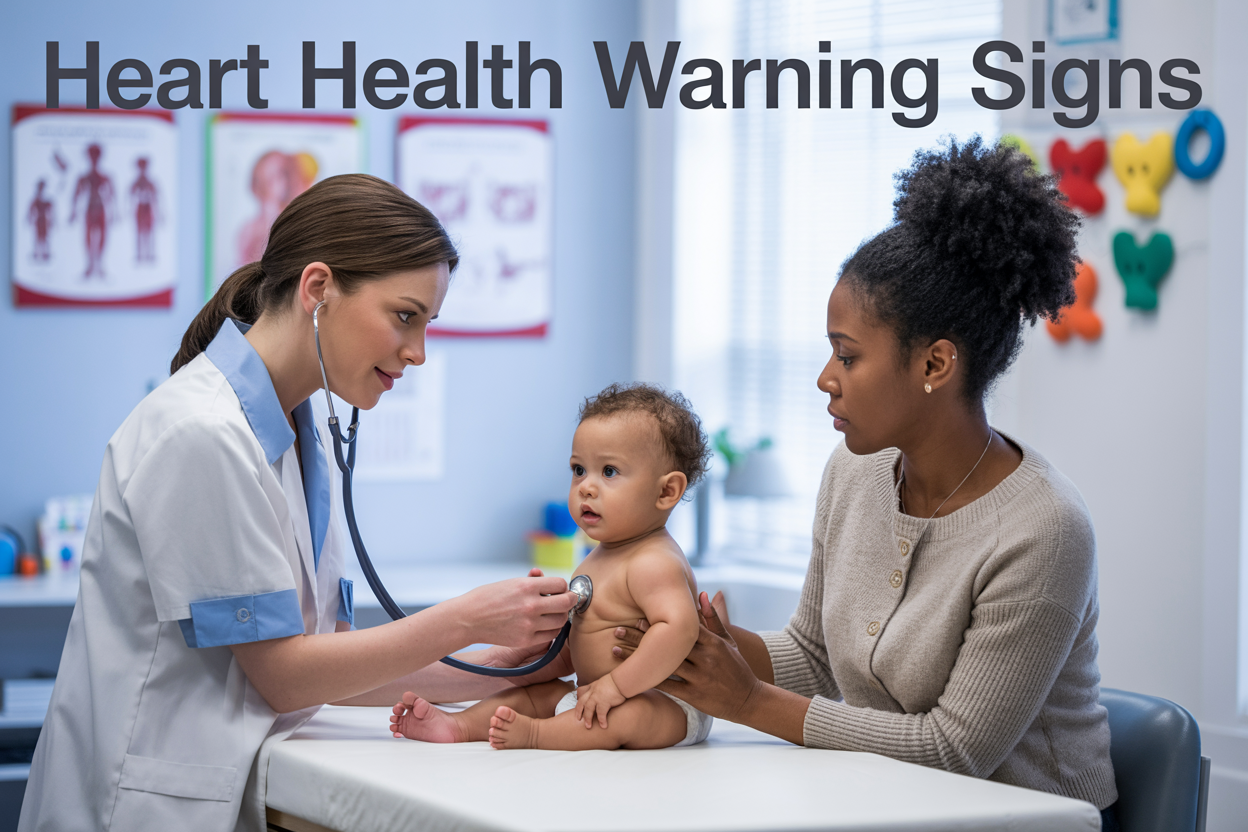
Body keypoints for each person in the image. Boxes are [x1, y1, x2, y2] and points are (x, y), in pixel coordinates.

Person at [19, 174, 578, 832]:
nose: (418, 353)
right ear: (318, 289)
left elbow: (328, 666)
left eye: (426, 324)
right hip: (138, 805)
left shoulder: (299, 431)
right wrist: (467, 621)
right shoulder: (200, 433)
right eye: (404, 316)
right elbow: (283, 676)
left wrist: (505, 667)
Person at [613, 138, 1121, 827]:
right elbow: (817, 656)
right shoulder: (855, 470)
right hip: (892, 809)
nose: (826, 378)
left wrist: (748, 700)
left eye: (847, 356)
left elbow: (955, 748)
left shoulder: (1044, 529)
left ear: (935, 364)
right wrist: (714, 651)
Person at [390, 383, 714, 750]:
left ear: (665, 492)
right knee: (537, 694)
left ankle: (536, 735)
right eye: (579, 469)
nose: (586, 487)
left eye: (609, 472)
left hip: (664, 703)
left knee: (630, 716)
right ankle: (459, 726)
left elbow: (679, 629)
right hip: (594, 696)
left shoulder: (653, 561)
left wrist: (616, 687)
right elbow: (579, 646)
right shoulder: (595, 560)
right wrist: (551, 623)